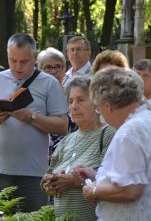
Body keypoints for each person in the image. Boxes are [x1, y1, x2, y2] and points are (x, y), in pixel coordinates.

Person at [73, 66, 151, 220]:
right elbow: (140, 174)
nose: (101, 117)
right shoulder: (149, 119)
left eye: (99, 110)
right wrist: (98, 177)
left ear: (107, 105)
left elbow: (130, 190)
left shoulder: (130, 132)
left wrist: (93, 191)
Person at [0, 33, 68, 212]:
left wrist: (31, 118)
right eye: (12, 60)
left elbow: (62, 126)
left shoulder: (49, 83)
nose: (17, 67)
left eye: (23, 61)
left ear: (34, 57)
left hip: (34, 173)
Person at [41, 76, 115, 221]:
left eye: (80, 100)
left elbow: (115, 181)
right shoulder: (66, 140)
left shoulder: (109, 134)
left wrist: (77, 182)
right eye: (70, 101)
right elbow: (46, 179)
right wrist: (50, 184)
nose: (73, 106)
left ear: (96, 103)